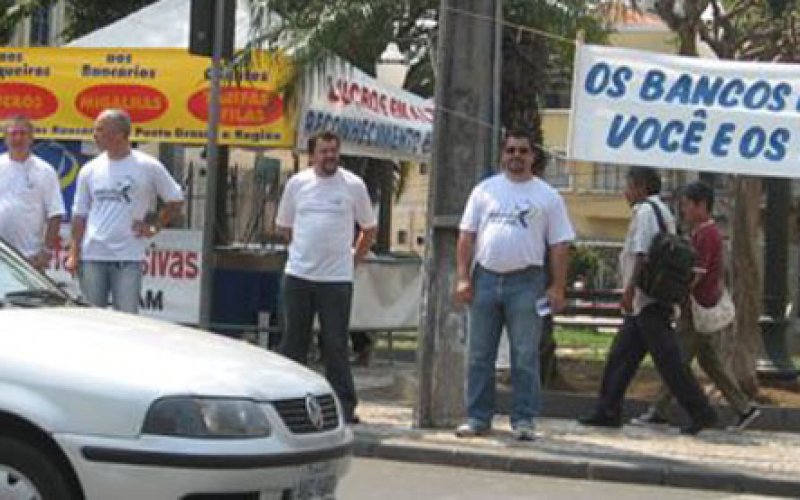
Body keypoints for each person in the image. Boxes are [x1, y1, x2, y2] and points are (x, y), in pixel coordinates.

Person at [454, 129, 575, 441]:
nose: (516, 156)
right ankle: (478, 418)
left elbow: (560, 245)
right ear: (502, 155)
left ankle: (524, 420)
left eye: (523, 151)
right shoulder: (484, 191)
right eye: (511, 150)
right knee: (479, 354)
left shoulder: (548, 196)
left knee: (524, 354)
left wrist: (558, 287)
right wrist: (463, 277)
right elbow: (466, 236)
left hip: (527, 283)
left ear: (533, 156)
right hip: (485, 279)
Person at [579, 167, 717, 435]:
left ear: (640, 187)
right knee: (622, 356)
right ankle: (607, 409)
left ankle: (701, 411)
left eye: (628, 186)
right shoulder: (663, 211)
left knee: (669, 361)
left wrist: (629, 290)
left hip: (647, 299)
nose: (625, 193)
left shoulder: (644, 212)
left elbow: (641, 253)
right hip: (652, 298)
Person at [632, 181, 761, 431]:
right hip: (701, 306)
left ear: (701, 205)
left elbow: (696, 274)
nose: (684, 210)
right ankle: (744, 407)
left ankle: (659, 409)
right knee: (709, 362)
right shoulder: (704, 232)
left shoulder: (705, 235)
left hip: (696, 308)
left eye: (687, 205)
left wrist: (678, 295)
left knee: (675, 362)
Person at [275, 131, 376, 424]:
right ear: (312, 155)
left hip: (336, 281)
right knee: (293, 343)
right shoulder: (297, 184)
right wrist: (303, 251)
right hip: (298, 276)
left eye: (334, 150)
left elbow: (368, 228)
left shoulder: (353, 185)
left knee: (335, 344)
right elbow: (284, 226)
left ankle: (344, 406)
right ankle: (288, 403)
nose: (330, 156)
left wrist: (353, 259)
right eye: (324, 151)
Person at [65, 109, 183, 313]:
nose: (95, 135)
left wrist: (154, 226)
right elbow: (79, 214)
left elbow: (176, 199)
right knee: (92, 318)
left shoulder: (148, 166)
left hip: (128, 256)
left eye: (100, 130)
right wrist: (74, 253)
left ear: (119, 134)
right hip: (93, 255)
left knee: (127, 318)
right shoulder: (90, 169)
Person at [0, 116, 64, 270]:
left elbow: (55, 214)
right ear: (6, 138)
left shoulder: (45, 171)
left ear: (31, 138)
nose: (18, 138)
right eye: (13, 134)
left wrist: (46, 252)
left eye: (23, 133)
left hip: (31, 258)